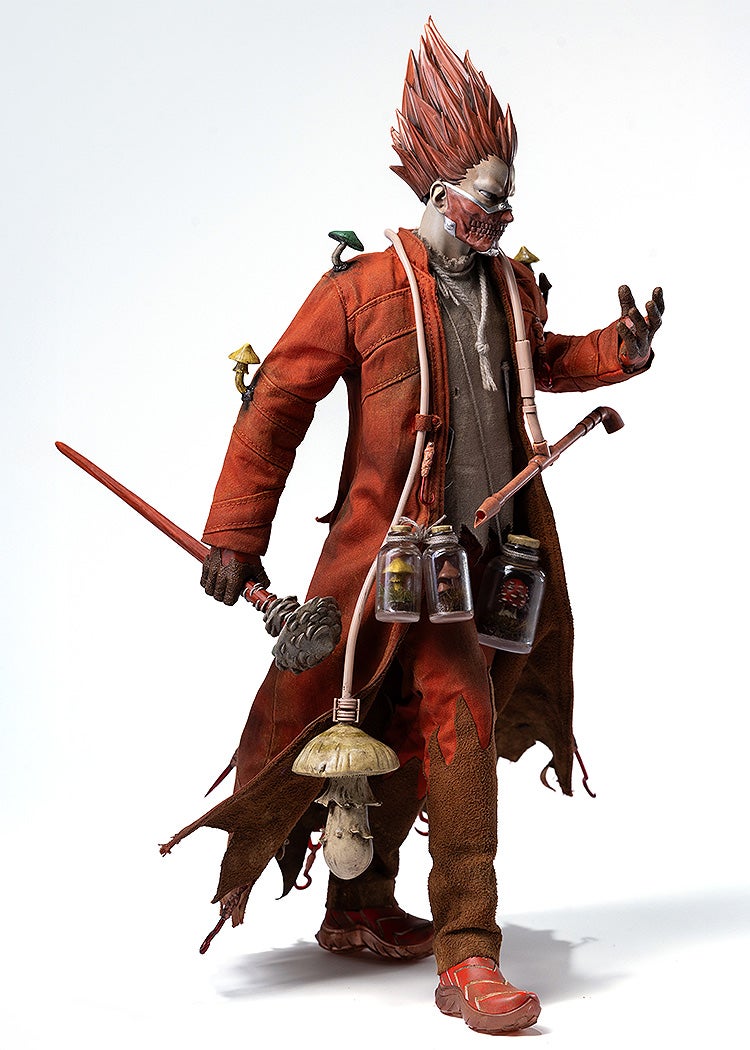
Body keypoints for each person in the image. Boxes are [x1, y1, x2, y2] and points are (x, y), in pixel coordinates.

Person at [169, 19, 662, 1035]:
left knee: (403, 725)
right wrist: (236, 536)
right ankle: (468, 953)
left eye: (509, 200)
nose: (503, 216)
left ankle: (357, 906)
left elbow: (545, 361)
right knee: (459, 723)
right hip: (392, 560)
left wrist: (620, 349)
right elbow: (277, 402)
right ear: (439, 191)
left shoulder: (509, 285)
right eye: (489, 199)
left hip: (492, 561)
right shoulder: (362, 290)